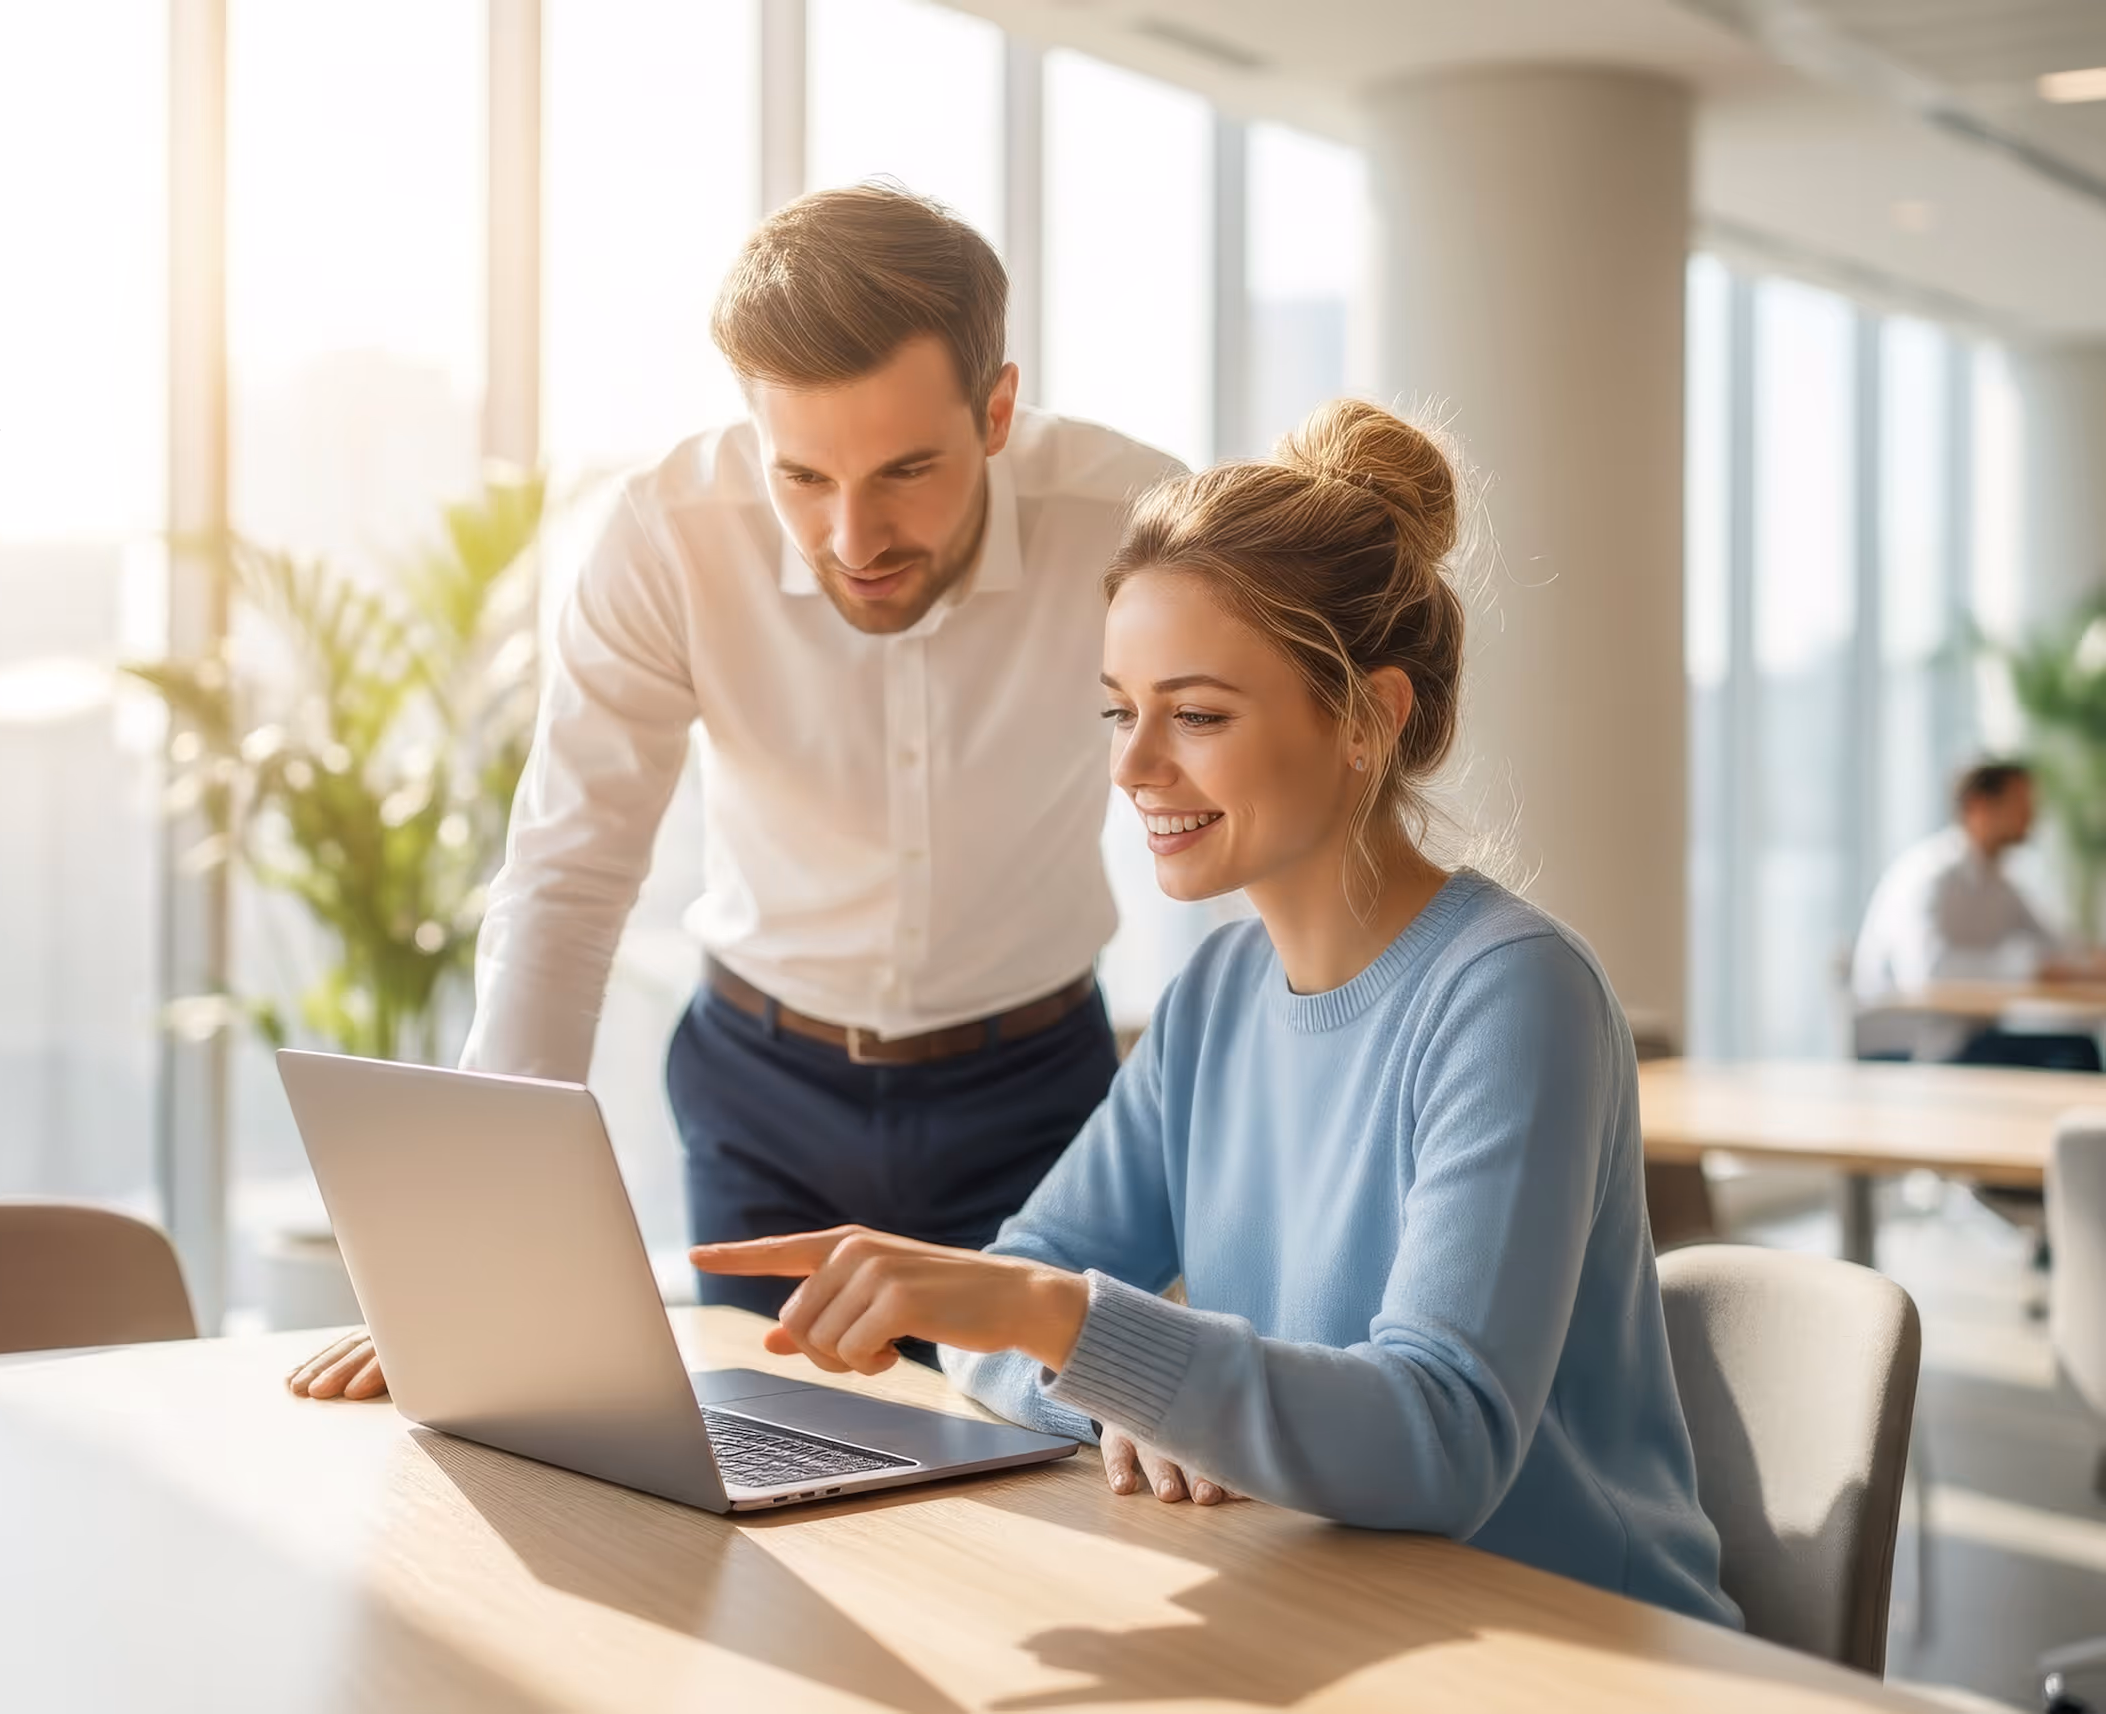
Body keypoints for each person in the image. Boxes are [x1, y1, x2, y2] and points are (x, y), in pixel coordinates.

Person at [694, 398, 1740, 1628]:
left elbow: (1442, 1437)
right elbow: (1011, 1293)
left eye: (1195, 714)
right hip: (1327, 1610)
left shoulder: (1513, 995)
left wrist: (1073, 1331)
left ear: (1369, 716)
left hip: (1568, 1647)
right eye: (1118, 710)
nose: (1134, 766)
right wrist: (1122, 1388)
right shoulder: (1216, 998)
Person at [287, 185, 1184, 1401]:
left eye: (907, 469)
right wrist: (463, 1274)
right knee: (787, 1478)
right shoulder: (670, 536)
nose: (855, 534)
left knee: (1054, 1488)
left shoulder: (1140, 526)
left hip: (1040, 1103)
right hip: (769, 1104)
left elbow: (1252, 800)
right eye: (803, 476)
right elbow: (568, 878)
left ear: (998, 410)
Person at [1850, 759, 2106, 1067]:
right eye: (2021, 803)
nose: (2032, 816)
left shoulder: (1998, 882)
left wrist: (2088, 962)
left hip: (1966, 1038)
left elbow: (2057, 942)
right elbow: (1931, 972)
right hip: (1913, 1045)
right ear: (1979, 806)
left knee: (2080, 1048)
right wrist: (2034, 969)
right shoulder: (1931, 876)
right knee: (2072, 1056)